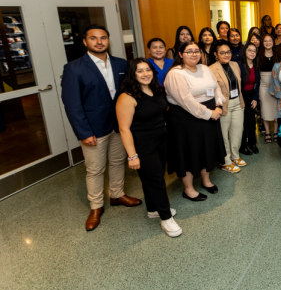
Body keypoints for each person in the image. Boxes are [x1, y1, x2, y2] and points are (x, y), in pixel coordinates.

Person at [61, 25, 142, 231]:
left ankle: (117, 195)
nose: (99, 42)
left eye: (103, 38)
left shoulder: (121, 64)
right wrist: (84, 132)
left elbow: (128, 93)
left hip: (118, 126)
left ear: (108, 40)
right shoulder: (74, 68)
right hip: (93, 129)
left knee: (117, 162)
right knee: (95, 169)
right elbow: (72, 104)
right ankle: (96, 207)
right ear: (85, 42)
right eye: (94, 38)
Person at [116, 58, 181, 237]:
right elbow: (124, 129)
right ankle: (166, 219)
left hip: (161, 139)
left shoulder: (156, 90)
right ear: (132, 74)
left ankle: (153, 209)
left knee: (153, 177)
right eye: (140, 71)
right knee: (157, 181)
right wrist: (132, 156)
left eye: (148, 70)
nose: (145, 74)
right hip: (143, 144)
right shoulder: (127, 97)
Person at [164, 41, 225, 201]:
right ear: (180, 54)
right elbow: (186, 101)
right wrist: (209, 113)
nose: (194, 54)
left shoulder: (204, 68)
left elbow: (216, 87)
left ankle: (206, 180)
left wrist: (218, 105)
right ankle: (189, 189)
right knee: (189, 152)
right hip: (186, 120)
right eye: (189, 51)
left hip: (212, 113)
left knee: (207, 148)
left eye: (196, 51)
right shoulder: (175, 74)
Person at [209, 40, 246, 174]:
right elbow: (211, 90)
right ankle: (225, 161)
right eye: (222, 53)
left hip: (237, 102)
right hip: (224, 105)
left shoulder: (235, 64)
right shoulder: (211, 69)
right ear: (216, 54)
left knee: (237, 131)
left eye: (228, 52)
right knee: (224, 134)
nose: (226, 55)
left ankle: (235, 156)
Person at [238, 42, 260, 155]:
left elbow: (258, 84)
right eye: (249, 50)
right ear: (245, 51)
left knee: (252, 121)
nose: (252, 53)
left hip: (252, 96)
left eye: (254, 51)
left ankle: (253, 143)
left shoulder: (256, 65)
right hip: (241, 96)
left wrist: (255, 98)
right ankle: (242, 145)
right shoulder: (238, 65)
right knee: (243, 122)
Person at [259, 34, 279, 143]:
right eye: (265, 41)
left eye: (270, 40)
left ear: (273, 42)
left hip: (276, 85)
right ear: (262, 43)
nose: (268, 43)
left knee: (276, 110)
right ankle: (267, 132)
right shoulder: (259, 55)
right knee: (265, 109)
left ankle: (275, 132)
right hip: (263, 86)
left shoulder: (278, 54)